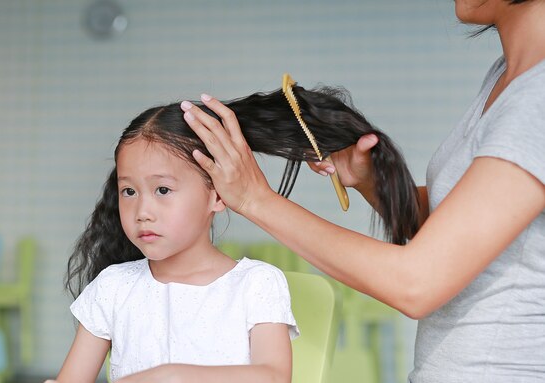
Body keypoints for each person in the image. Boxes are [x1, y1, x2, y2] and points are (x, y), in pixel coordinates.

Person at [180, 0, 545, 381]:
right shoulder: (507, 77)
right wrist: (373, 182)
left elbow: (418, 283)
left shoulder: (537, 98)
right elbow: (460, 241)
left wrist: (256, 199)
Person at [46, 103, 300, 383]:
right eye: (129, 191)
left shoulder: (257, 284)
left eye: (162, 190)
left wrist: (172, 376)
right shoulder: (113, 288)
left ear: (217, 196)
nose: (142, 212)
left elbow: (274, 377)